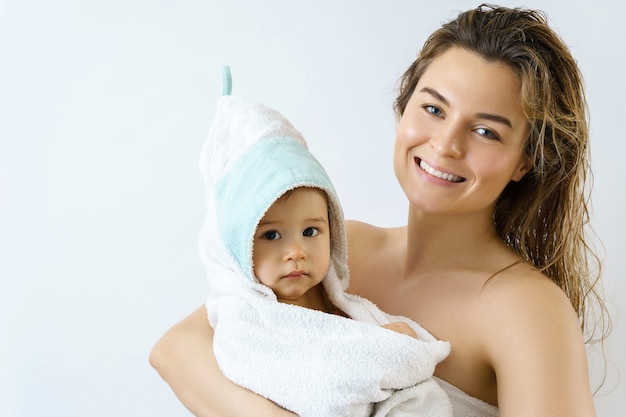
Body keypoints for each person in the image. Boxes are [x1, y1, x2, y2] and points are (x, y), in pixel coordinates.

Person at [150, 4, 610, 417]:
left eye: (487, 132)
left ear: (524, 161)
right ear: (403, 107)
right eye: (433, 108)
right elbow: (177, 349)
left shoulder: (525, 309)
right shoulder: (338, 245)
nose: (446, 144)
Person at [192, 68, 452, 417]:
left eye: (311, 232)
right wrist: (391, 349)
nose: (296, 251)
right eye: (271, 235)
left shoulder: (337, 301)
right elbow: (323, 382)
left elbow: (394, 367)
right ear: (240, 248)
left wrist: (387, 338)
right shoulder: (248, 323)